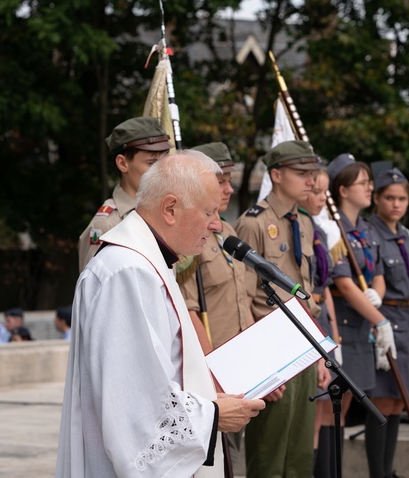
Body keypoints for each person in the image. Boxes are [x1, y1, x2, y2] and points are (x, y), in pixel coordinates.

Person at [56, 149, 265, 477]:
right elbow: (131, 400)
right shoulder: (127, 272)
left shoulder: (151, 262)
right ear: (170, 208)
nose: (215, 225)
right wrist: (212, 415)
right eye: (209, 212)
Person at [235, 139, 330, 478]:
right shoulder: (253, 222)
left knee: (299, 450)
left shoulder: (303, 221)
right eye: (301, 172)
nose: (310, 180)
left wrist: (318, 353)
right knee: (269, 451)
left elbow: (305, 292)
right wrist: (256, 365)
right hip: (269, 342)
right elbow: (243, 296)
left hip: (302, 340)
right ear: (276, 174)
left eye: (312, 172)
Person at [176, 142, 255, 469]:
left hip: (242, 367)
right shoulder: (190, 237)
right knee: (217, 462)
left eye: (228, 180)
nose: (228, 188)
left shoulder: (230, 231)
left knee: (238, 460)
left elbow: (244, 299)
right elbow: (190, 310)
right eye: (220, 181)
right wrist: (213, 373)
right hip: (213, 370)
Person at [325, 153, 396, 428]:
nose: (370, 188)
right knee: (333, 410)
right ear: (343, 190)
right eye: (363, 183)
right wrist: (382, 321)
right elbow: (343, 283)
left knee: (344, 410)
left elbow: (378, 273)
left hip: (362, 325)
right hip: (344, 324)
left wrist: (376, 295)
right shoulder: (334, 229)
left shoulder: (365, 229)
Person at [366, 167, 409, 478]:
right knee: (381, 400)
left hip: (407, 319)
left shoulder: (406, 236)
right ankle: (377, 472)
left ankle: (388, 470)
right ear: (376, 198)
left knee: (399, 402)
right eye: (389, 197)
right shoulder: (371, 235)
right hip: (385, 319)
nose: (396, 204)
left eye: (402, 198)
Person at [78, 116, 174, 271]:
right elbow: (93, 289)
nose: (162, 171)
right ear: (123, 163)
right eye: (152, 163)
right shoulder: (107, 224)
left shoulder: (165, 214)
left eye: (164, 162)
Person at [297, 168, 342, 478]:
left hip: (322, 316)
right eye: (315, 190)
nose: (321, 197)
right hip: (305, 316)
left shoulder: (321, 231)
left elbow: (325, 287)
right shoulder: (296, 226)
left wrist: (334, 335)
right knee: (311, 415)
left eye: (325, 191)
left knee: (327, 407)